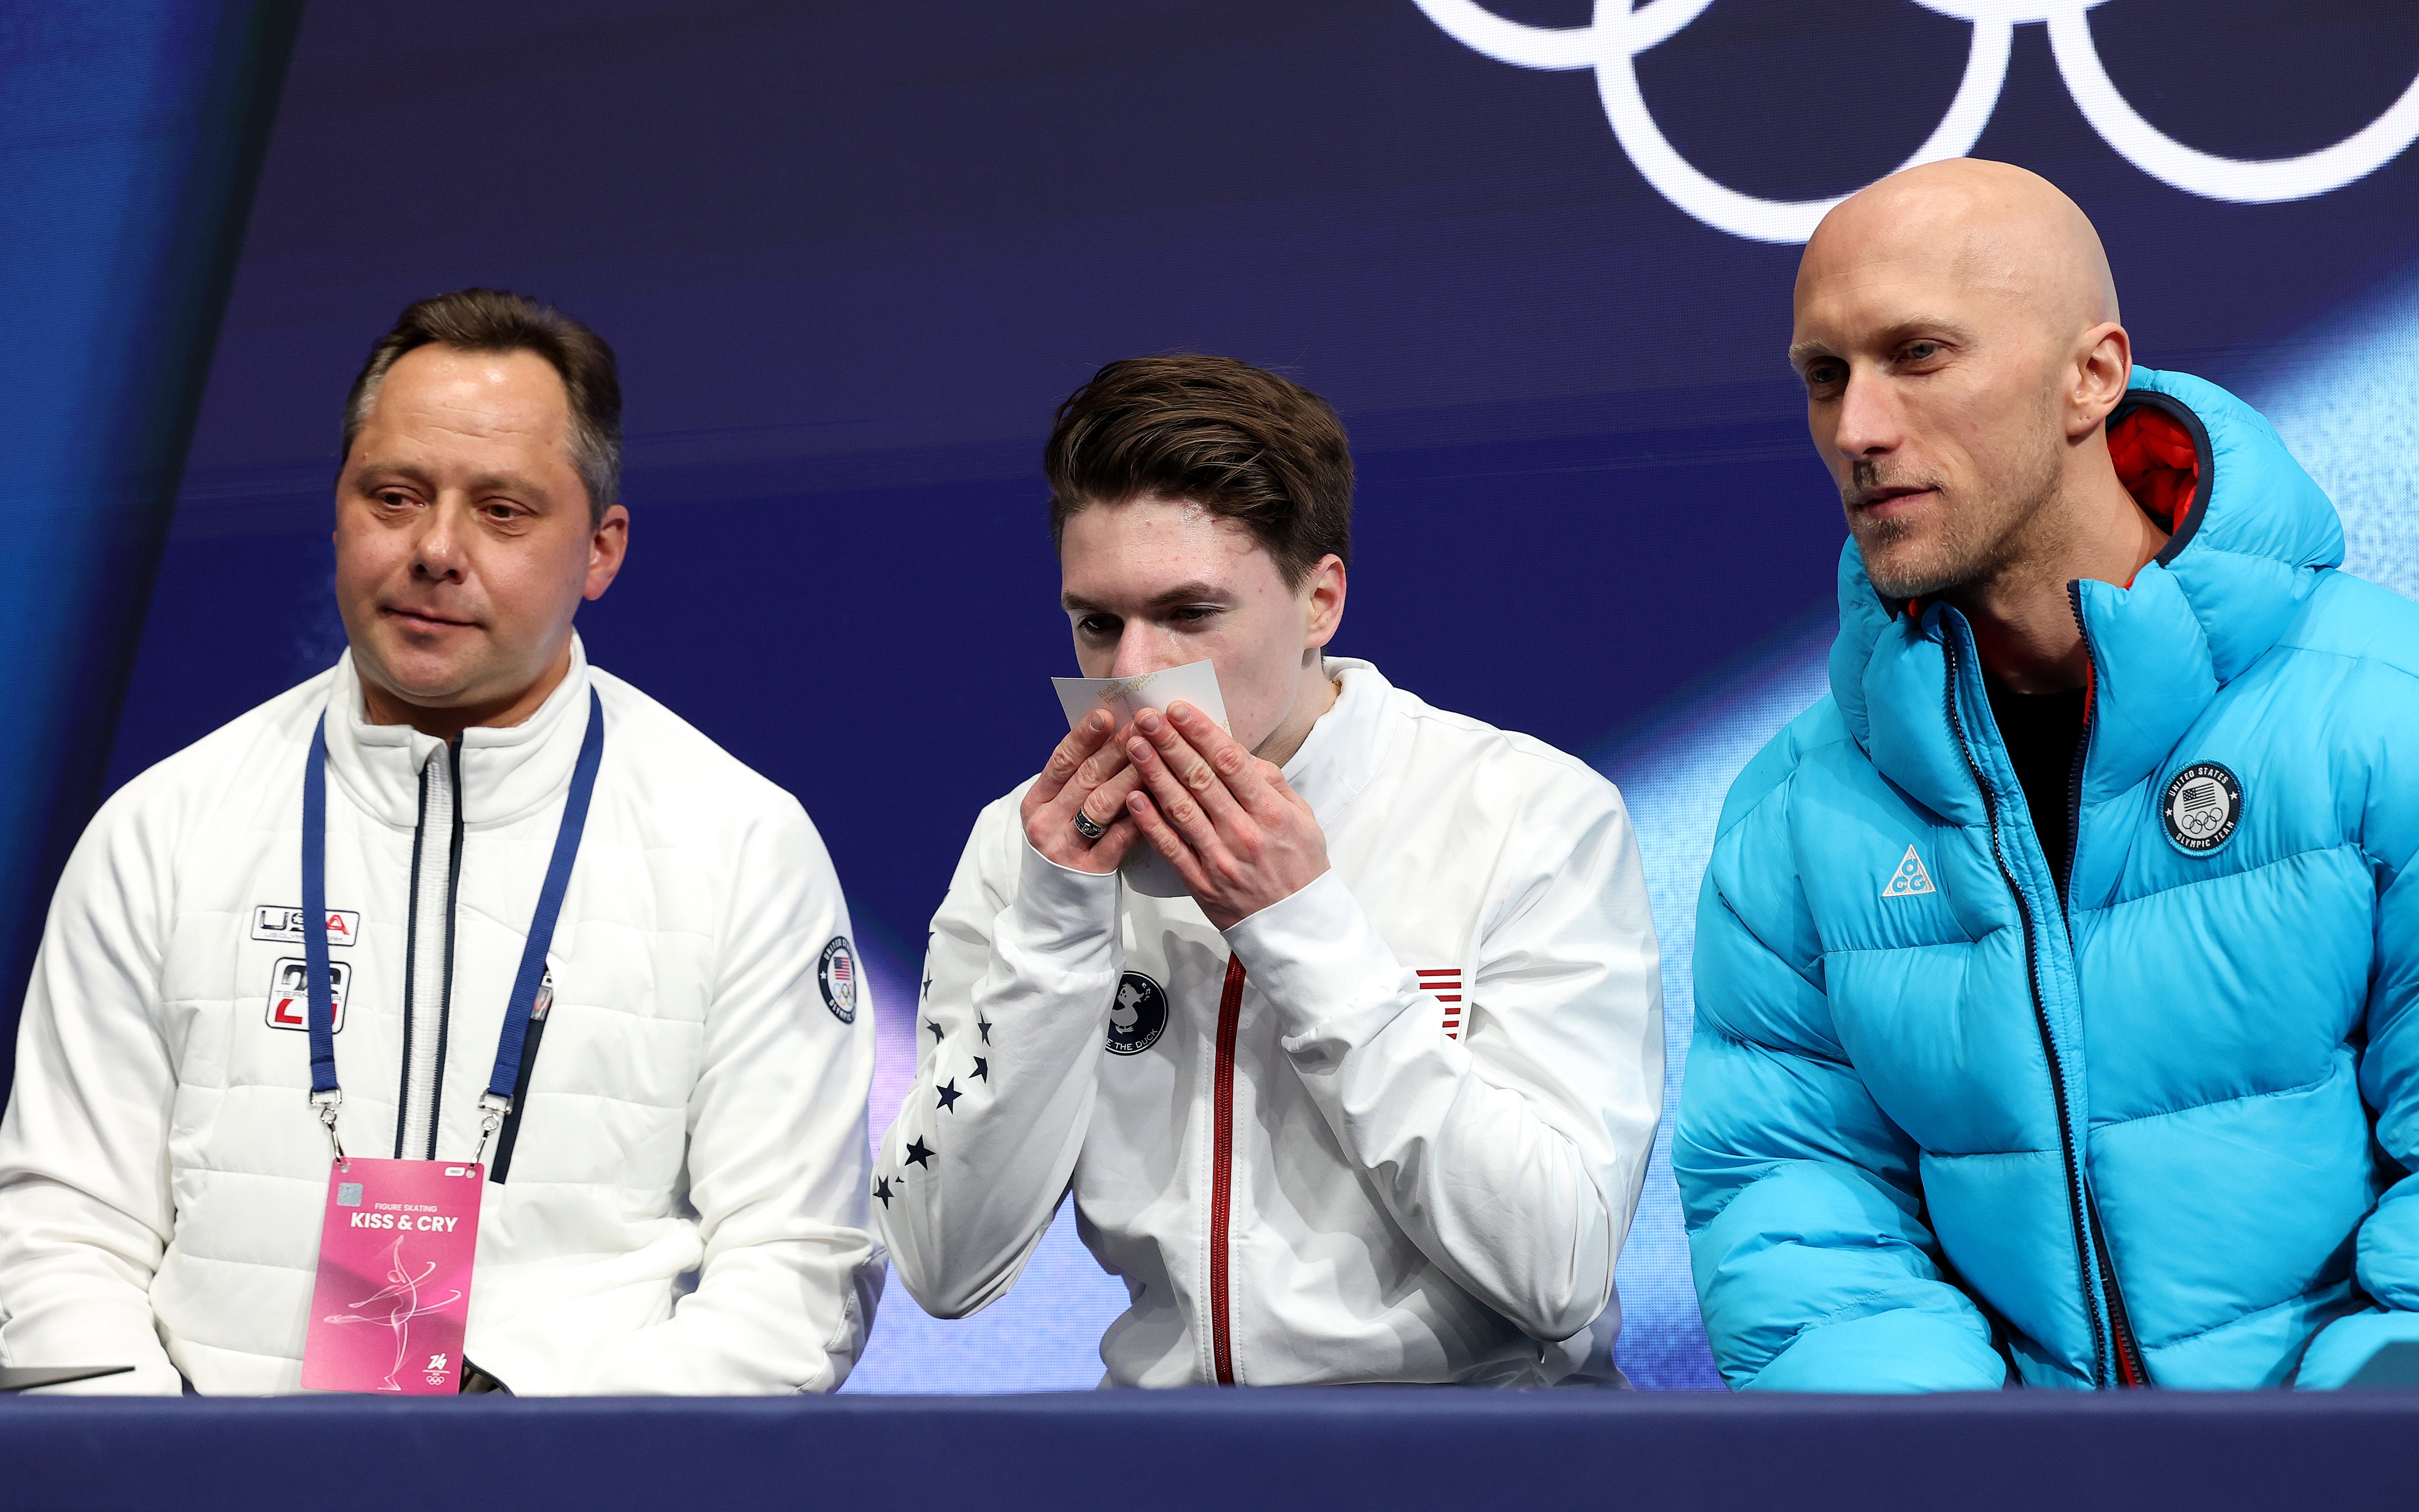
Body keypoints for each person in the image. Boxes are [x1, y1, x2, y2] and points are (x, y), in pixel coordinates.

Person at [0, 289, 880, 1393]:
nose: (435, 549)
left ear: (601, 548)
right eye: (395, 496)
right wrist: (174, 1477)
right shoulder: (161, 830)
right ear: (337, 512)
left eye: (504, 510)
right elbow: (57, 1233)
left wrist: (549, 1474)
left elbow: (798, 1270)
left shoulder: (739, 844)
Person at [1676, 159, 2419, 1391]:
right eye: (1824, 376)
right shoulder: (1791, 810)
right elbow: (1798, 1207)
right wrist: (1961, 1480)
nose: (1856, 429)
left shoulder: (2380, 703)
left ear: (2092, 375)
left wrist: (2338, 1452)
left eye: (1916, 355)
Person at [875, 354, 1663, 1386]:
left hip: (1477, 1464)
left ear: (1321, 599)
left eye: (1191, 614)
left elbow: (1559, 1266)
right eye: (1096, 622)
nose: (1130, 675)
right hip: (1162, 1468)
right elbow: (942, 1263)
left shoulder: (1529, 813)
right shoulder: (1026, 846)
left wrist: (1299, 921)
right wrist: (1057, 926)